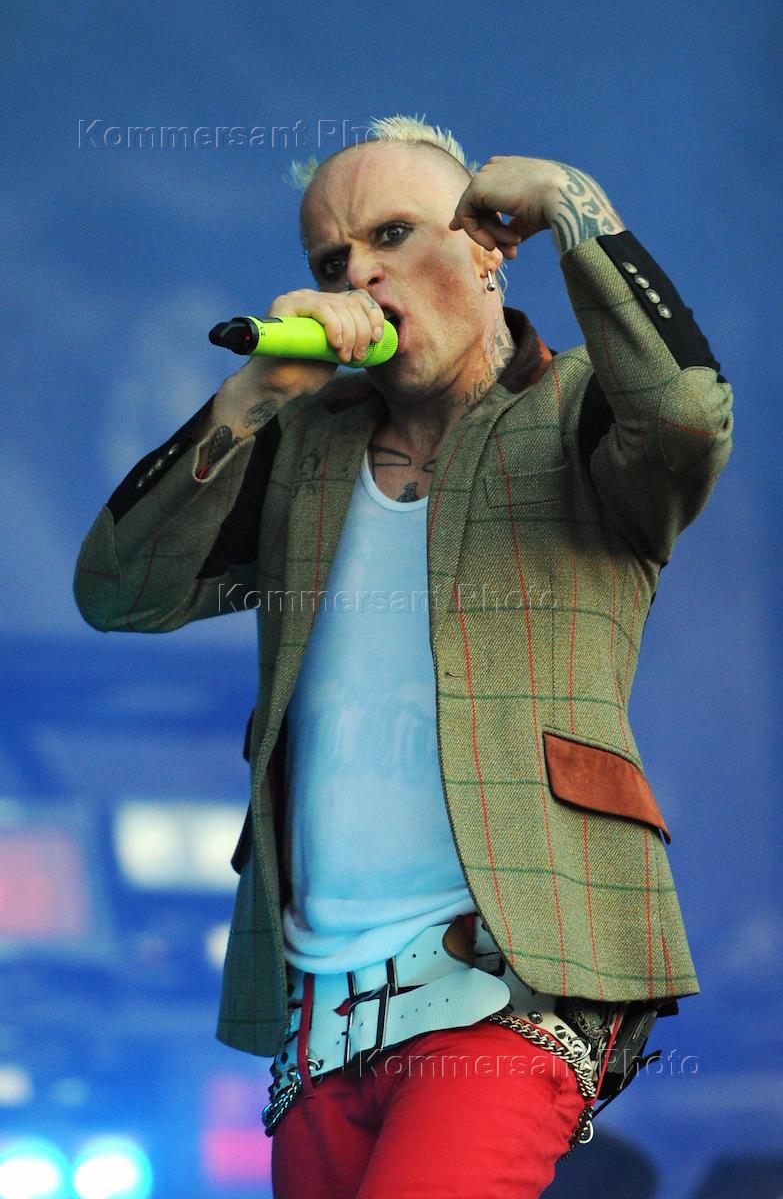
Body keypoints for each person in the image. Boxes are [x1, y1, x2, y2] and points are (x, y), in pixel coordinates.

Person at [73, 115, 733, 1198]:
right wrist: (251, 397)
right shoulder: (304, 446)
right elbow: (118, 591)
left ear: (487, 250)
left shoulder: (578, 413)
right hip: (319, 1005)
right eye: (332, 258)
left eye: (391, 233)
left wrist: (576, 207)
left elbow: (689, 422)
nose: (360, 273)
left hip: (514, 980)